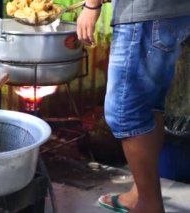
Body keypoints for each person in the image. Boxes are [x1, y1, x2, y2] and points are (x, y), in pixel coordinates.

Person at [76, 0, 190, 212]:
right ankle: (141, 193)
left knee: (126, 112)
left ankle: (148, 205)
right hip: (172, 13)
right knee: (148, 104)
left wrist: (91, 5)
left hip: (145, 12)